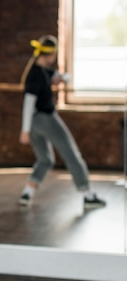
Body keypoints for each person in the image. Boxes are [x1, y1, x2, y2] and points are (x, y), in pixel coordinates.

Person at [17, 35, 106, 210]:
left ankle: (28, 192)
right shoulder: (36, 75)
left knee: (45, 160)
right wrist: (24, 130)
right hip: (45, 120)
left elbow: (63, 76)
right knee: (71, 154)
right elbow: (28, 103)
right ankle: (87, 194)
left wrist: (61, 78)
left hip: (34, 124)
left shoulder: (42, 71)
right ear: (52, 54)